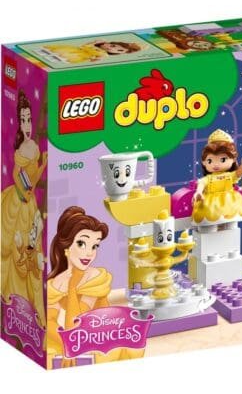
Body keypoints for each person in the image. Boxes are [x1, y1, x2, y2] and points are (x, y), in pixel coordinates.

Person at [47, 206, 144, 367]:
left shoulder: (94, 278)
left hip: (97, 337)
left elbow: (80, 324)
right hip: (67, 339)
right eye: (81, 244)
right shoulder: (55, 283)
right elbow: (50, 321)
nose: (89, 253)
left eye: (94, 246)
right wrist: (65, 344)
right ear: (66, 246)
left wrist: (72, 289)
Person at [1, 90, 47, 326]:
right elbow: (21, 178)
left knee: (31, 253)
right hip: (18, 203)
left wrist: (43, 165)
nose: (27, 125)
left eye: (29, 119)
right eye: (23, 120)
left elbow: (33, 180)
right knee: (12, 251)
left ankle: (31, 308)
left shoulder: (34, 146)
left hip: (28, 204)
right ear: (19, 123)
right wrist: (24, 190)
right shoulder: (22, 148)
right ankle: (9, 297)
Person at [192, 129, 242, 231]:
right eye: (210, 160)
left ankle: (229, 236)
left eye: (223, 159)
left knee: (230, 226)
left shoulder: (229, 176)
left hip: (229, 203)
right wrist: (198, 192)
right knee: (209, 225)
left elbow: (237, 174)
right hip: (211, 206)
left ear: (233, 159)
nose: (216, 164)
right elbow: (202, 183)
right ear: (204, 162)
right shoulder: (208, 178)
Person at [43, 40, 141, 64]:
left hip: (78, 56)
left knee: (64, 57)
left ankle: (53, 59)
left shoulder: (104, 54)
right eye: (112, 46)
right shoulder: (94, 45)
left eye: (119, 51)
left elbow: (96, 59)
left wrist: (94, 59)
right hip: (73, 50)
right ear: (107, 43)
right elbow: (85, 45)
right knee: (58, 51)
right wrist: (95, 42)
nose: (112, 49)